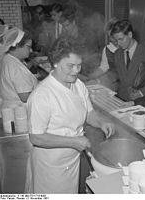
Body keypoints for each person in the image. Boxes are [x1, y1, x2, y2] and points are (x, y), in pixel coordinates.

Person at [25, 37, 115, 194]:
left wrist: (102, 123)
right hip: (51, 165)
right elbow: (36, 137)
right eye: (71, 66)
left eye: (79, 65)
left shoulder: (78, 85)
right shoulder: (42, 94)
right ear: (55, 63)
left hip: (72, 160)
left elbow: (89, 113)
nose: (76, 71)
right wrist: (73, 142)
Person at [110, 19, 145, 101]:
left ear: (130, 34)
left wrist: (141, 92)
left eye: (121, 39)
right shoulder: (117, 54)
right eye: (116, 40)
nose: (118, 44)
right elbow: (116, 77)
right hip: (122, 100)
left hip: (142, 101)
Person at [0, 27, 38, 108]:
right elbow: (25, 97)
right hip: (19, 112)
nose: (31, 50)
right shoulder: (15, 67)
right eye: (28, 47)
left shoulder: (6, 57)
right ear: (17, 46)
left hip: (9, 109)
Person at [86, 17, 119, 90]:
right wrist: (90, 77)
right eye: (110, 36)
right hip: (115, 84)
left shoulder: (127, 48)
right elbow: (103, 67)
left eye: (114, 36)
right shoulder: (107, 49)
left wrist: (101, 80)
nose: (113, 39)